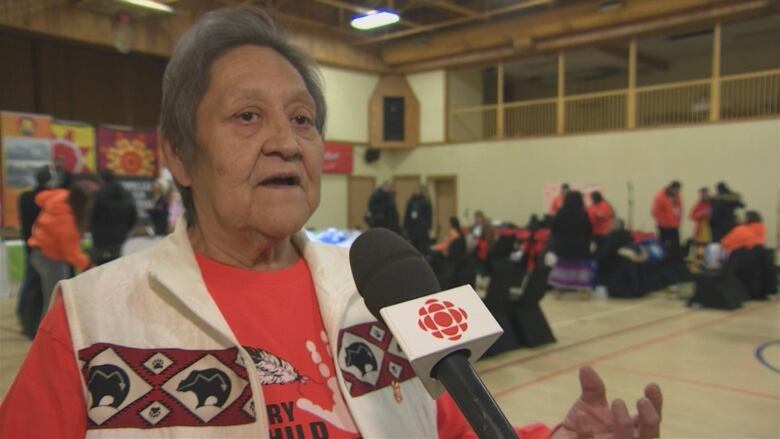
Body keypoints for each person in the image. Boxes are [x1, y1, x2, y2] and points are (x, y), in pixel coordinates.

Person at [0, 7, 662, 439]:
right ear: (177, 152)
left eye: (303, 118)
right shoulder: (91, 318)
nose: (287, 141)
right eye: (247, 116)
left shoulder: (380, 291)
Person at [26, 179, 96, 318]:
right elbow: (71, 253)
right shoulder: (67, 221)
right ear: (82, 203)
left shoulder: (60, 195)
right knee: (55, 302)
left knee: (50, 298)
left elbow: (40, 198)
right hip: (51, 259)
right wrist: (88, 264)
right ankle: (48, 336)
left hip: (38, 252)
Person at [15, 166, 52, 339]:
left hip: (29, 242)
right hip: (46, 246)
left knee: (30, 284)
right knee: (41, 288)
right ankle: (34, 324)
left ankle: (24, 317)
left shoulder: (25, 197)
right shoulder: (51, 199)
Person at [90, 170, 138, 265]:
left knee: (100, 267)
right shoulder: (126, 194)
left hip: (101, 238)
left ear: (102, 180)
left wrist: (93, 230)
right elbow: (133, 215)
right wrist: (125, 230)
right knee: (116, 264)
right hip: (120, 236)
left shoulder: (99, 195)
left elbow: (93, 216)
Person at [549, 191, 594, 291]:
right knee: (581, 267)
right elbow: (589, 230)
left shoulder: (561, 213)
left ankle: (559, 289)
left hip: (563, 247)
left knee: (562, 266)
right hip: (580, 247)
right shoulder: (583, 214)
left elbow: (553, 228)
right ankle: (583, 290)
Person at [651, 180, 682, 260]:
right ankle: (663, 261)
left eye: (678, 191)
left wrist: (678, 221)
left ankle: (675, 261)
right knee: (663, 246)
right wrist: (663, 222)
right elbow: (655, 212)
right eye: (676, 190)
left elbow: (679, 209)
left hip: (674, 226)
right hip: (664, 227)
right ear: (671, 188)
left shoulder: (677, 197)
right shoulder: (660, 196)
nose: (677, 192)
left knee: (676, 246)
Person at [403, 183, 433, 255]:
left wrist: (427, 225)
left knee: (421, 248)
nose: (415, 191)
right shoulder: (411, 200)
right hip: (412, 228)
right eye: (414, 189)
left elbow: (429, 214)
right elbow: (407, 214)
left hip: (422, 228)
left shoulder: (426, 201)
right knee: (412, 247)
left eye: (417, 189)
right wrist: (405, 227)